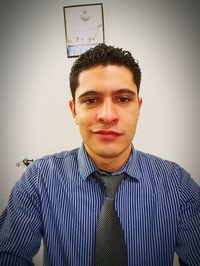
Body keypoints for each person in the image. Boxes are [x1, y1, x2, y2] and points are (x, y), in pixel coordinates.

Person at [0, 43, 199, 266]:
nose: (107, 115)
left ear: (138, 108)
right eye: (91, 100)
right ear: (74, 110)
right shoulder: (38, 180)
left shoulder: (177, 185)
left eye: (123, 99)